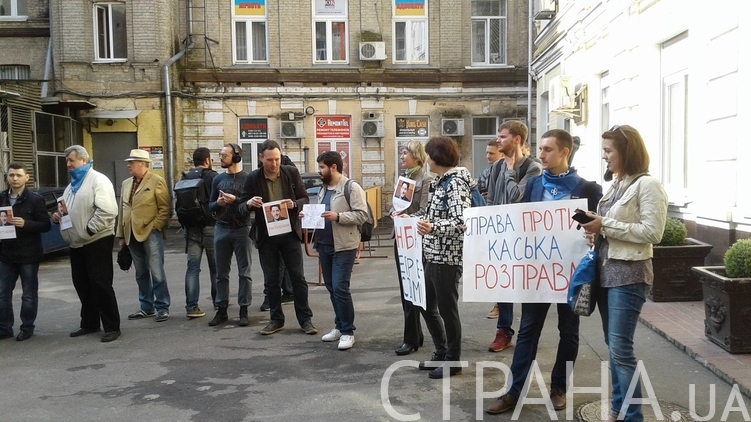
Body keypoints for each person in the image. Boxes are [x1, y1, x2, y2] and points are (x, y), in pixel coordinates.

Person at [486, 129, 603, 414]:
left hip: (572, 274)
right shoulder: (535, 185)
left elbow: (599, 227)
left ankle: (559, 388)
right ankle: (513, 392)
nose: (541, 155)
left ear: (565, 152)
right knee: (528, 331)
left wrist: (594, 236)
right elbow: (521, 221)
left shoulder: (588, 189)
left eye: (548, 149)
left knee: (569, 332)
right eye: (540, 149)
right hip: (538, 273)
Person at [580, 125, 667, 422]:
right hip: (606, 273)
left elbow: (653, 232)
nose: (604, 156)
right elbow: (613, 228)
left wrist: (604, 224)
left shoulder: (648, 185)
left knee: (620, 349)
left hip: (629, 275)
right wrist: (594, 230)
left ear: (626, 151)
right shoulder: (618, 184)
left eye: (608, 151)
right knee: (614, 347)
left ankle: (632, 415)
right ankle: (619, 408)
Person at [405, 136, 471, 379]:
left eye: (429, 156)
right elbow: (431, 214)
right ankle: (442, 351)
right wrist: (411, 218)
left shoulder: (455, 183)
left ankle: (453, 359)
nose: (426, 160)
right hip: (432, 252)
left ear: (438, 158)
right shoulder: (439, 182)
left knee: (447, 310)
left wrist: (433, 227)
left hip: (447, 256)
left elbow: (461, 222)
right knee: (425, 304)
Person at [241, 140, 316, 336]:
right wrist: (249, 203)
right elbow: (241, 206)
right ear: (261, 158)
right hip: (266, 237)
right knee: (271, 280)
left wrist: (294, 204)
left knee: (298, 278)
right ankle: (276, 320)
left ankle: (305, 320)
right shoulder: (253, 178)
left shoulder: (291, 173)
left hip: (290, 234)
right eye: (270, 160)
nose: (274, 164)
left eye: (277, 159)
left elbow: (305, 198)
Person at [301, 150, 367, 350]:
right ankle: (339, 326)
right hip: (324, 245)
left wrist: (338, 217)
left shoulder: (351, 187)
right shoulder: (323, 188)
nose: (319, 171)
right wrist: (307, 217)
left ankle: (348, 331)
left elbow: (362, 215)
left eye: (322, 167)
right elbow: (321, 215)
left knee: (340, 288)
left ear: (334, 167)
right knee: (331, 288)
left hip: (344, 246)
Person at [54, 146, 121, 342]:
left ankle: (112, 326)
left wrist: (90, 229)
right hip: (76, 243)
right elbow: (70, 210)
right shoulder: (71, 187)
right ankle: (90, 323)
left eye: (71, 160)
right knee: (82, 284)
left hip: (96, 240)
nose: (68, 164)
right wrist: (58, 216)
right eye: (67, 161)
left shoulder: (98, 180)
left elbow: (108, 210)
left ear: (83, 160)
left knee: (100, 284)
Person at [485, 120, 542, 353]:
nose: (498, 140)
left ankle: (529, 332)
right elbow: (491, 200)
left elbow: (516, 197)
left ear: (517, 139)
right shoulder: (496, 167)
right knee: (503, 283)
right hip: (500, 236)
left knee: (526, 284)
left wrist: (509, 172)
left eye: (503, 137)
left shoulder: (533, 168)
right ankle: (504, 331)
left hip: (525, 237)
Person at [117, 148, 171, 323]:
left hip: (150, 232)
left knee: (156, 272)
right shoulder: (126, 183)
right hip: (130, 233)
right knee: (140, 273)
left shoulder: (156, 181)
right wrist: (121, 235)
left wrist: (155, 226)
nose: (128, 165)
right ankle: (146, 307)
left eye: (131, 162)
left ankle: (162, 307)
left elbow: (165, 208)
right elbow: (122, 210)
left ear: (142, 164)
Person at [0, 163, 51, 341]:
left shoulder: (35, 199)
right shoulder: (1, 198)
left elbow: (45, 225)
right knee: (2, 293)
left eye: (18, 175)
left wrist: (26, 224)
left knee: (28, 295)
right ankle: (4, 328)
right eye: (11, 175)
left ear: (27, 177)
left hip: (28, 254)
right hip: (5, 254)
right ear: (7, 177)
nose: (14, 178)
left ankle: (27, 327)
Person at [391, 141, 433, 356]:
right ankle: (415, 335)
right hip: (401, 237)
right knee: (405, 289)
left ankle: (411, 338)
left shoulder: (426, 180)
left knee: (415, 288)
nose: (402, 156)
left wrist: (409, 218)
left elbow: (425, 211)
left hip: (416, 240)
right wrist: (394, 213)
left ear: (416, 156)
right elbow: (397, 206)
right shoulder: (403, 180)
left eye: (405, 152)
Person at [207, 143, 253, 327]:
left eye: (224, 155)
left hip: (242, 229)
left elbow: (250, 206)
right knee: (221, 273)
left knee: (244, 272)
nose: (221, 158)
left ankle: (244, 309)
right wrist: (218, 203)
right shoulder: (217, 179)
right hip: (222, 228)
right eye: (220, 154)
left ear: (236, 157)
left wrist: (235, 200)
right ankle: (222, 309)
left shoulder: (248, 179)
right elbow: (210, 206)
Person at [182, 147, 218, 318]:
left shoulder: (186, 177)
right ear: (208, 160)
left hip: (191, 229)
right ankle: (218, 301)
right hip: (211, 226)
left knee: (192, 268)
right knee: (215, 268)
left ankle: (191, 307)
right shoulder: (213, 176)